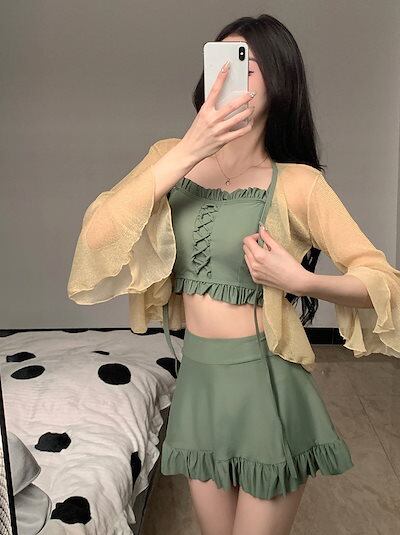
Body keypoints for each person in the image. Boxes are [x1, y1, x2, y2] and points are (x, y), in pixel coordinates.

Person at [68, 14, 400, 535]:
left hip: (267, 384)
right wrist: (190, 149)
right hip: (199, 383)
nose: (230, 74)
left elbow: (383, 282)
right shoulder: (169, 157)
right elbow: (98, 237)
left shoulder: (298, 184)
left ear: (281, 80)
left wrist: (302, 282)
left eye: (249, 64)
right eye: (221, 60)